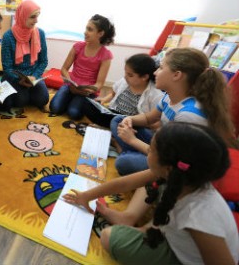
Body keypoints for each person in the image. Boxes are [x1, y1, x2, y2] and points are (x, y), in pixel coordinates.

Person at [63, 122, 239, 265]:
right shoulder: (178, 176)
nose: (147, 150)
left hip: (181, 257)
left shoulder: (199, 216)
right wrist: (87, 196)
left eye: (151, 149)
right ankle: (135, 223)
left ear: (168, 167)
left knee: (109, 237)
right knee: (152, 186)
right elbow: (125, 182)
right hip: (175, 237)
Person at [112, 47, 237, 175]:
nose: (155, 72)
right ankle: (134, 153)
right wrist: (129, 119)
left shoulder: (188, 115)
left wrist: (132, 140)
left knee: (123, 163)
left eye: (161, 68)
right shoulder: (169, 96)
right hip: (162, 146)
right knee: (118, 120)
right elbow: (149, 118)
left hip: (175, 162)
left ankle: (132, 155)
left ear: (176, 75)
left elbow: (169, 157)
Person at [49, 14, 115, 119]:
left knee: (74, 113)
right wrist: (70, 82)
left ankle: (75, 102)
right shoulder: (78, 47)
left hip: (87, 92)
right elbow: (64, 69)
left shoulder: (106, 55)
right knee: (54, 108)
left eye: (90, 29)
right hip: (71, 86)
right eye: (86, 28)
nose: (85, 32)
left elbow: (99, 84)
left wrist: (87, 90)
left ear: (100, 33)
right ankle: (71, 100)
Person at [84, 53, 163, 128]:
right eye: (125, 73)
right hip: (113, 113)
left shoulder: (155, 95)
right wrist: (104, 99)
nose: (125, 77)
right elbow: (113, 94)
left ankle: (109, 129)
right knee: (87, 104)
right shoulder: (124, 82)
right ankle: (108, 127)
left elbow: (154, 121)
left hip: (130, 123)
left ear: (144, 77)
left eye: (130, 75)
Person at [0, 0, 49, 111]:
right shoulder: (8, 36)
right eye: (32, 17)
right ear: (23, 16)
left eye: (37, 16)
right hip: (15, 78)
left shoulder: (40, 33)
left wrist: (34, 76)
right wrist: (19, 79)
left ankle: (27, 93)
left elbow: (43, 61)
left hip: (34, 77)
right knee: (21, 101)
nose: (36, 20)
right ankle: (20, 93)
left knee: (43, 100)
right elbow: (7, 67)